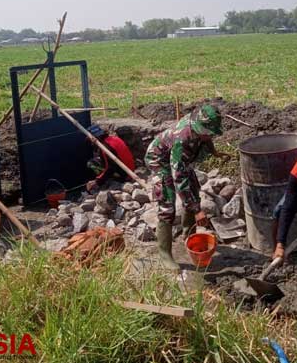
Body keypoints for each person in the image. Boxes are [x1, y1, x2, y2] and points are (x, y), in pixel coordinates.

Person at [144, 104, 230, 270]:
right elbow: (179, 179)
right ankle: (165, 254)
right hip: (159, 160)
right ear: (198, 127)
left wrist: (214, 152)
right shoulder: (182, 140)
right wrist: (197, 211)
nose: (209, 135)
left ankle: (188, 235)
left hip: (180, 161)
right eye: (207, 132)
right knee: (167, 206)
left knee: (194, 195)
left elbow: (206, 138)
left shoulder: (200, 126)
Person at [85, 124, 136, 192]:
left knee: (91, 164)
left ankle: (108, 182)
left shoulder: (105, 148)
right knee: (98, 160)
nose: (91, 142)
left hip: (125, 175)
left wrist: (97, 181)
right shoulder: (114, 138)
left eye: (90, 140)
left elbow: (110, 168)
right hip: (130, 169)